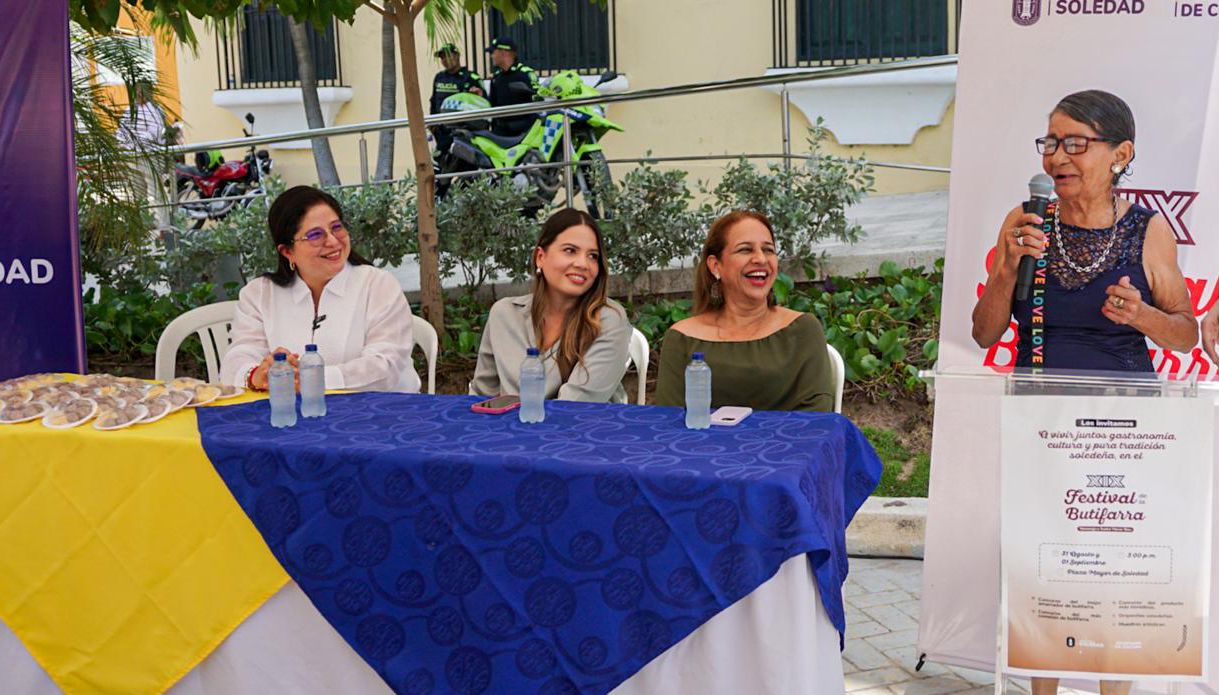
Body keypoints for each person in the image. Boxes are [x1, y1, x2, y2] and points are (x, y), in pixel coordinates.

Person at [971, 90, 1196, 695]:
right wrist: (1002, 270)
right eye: (1050, 142)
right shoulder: (1027, 220)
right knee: (1046, 571)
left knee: (1114, 581)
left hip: (1128, 434)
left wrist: (1141, 316)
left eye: (1075, 143)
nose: (1057, 157)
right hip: (1041, 426)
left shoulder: (1148, 233)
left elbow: (1185, 333)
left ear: (1120, 154)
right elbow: (985, 331)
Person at [221, 186, 421, 393]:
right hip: (294, 413)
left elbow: (385, 367)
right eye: (315, 235)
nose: (333, 241)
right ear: (287, 251)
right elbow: (236, 360)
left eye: (336, 227)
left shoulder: (378, 285)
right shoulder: (259, 294)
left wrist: (310, 378)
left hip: (382, 414)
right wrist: (257, 375)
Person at [654, 210, 835, 412]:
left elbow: (818, 421)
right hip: (701, 443)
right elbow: (667, 422)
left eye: (768, 250)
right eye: (745, 250)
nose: (760, 259)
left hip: (788, 443)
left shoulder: (802, 330)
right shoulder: (682, 338)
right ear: (716, 266)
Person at [470, 208, 630, 402]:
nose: (583, 263)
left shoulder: (608, 320)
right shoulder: (504, 315)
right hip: (509, 430)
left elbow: (576, 406)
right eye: (570, 250)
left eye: (593, 256)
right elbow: (481, 397)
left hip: (583, 429)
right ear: (540, 257)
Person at [485, 36, 539, 137]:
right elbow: (492, 104)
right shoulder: (496, 77)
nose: (492, 56)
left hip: (523, 131)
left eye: (493, 52)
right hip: (501, 131)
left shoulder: (526, 74)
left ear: (504, 52)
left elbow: (537, 101)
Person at [429, 43, 483, 114]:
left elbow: (483, 101)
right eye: (442, 57)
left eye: (448, 56)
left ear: (457, 56)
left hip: (462, 122)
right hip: (440, 122)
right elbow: (433, 101)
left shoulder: (471, 77)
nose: (445, 60)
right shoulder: (439, 77)